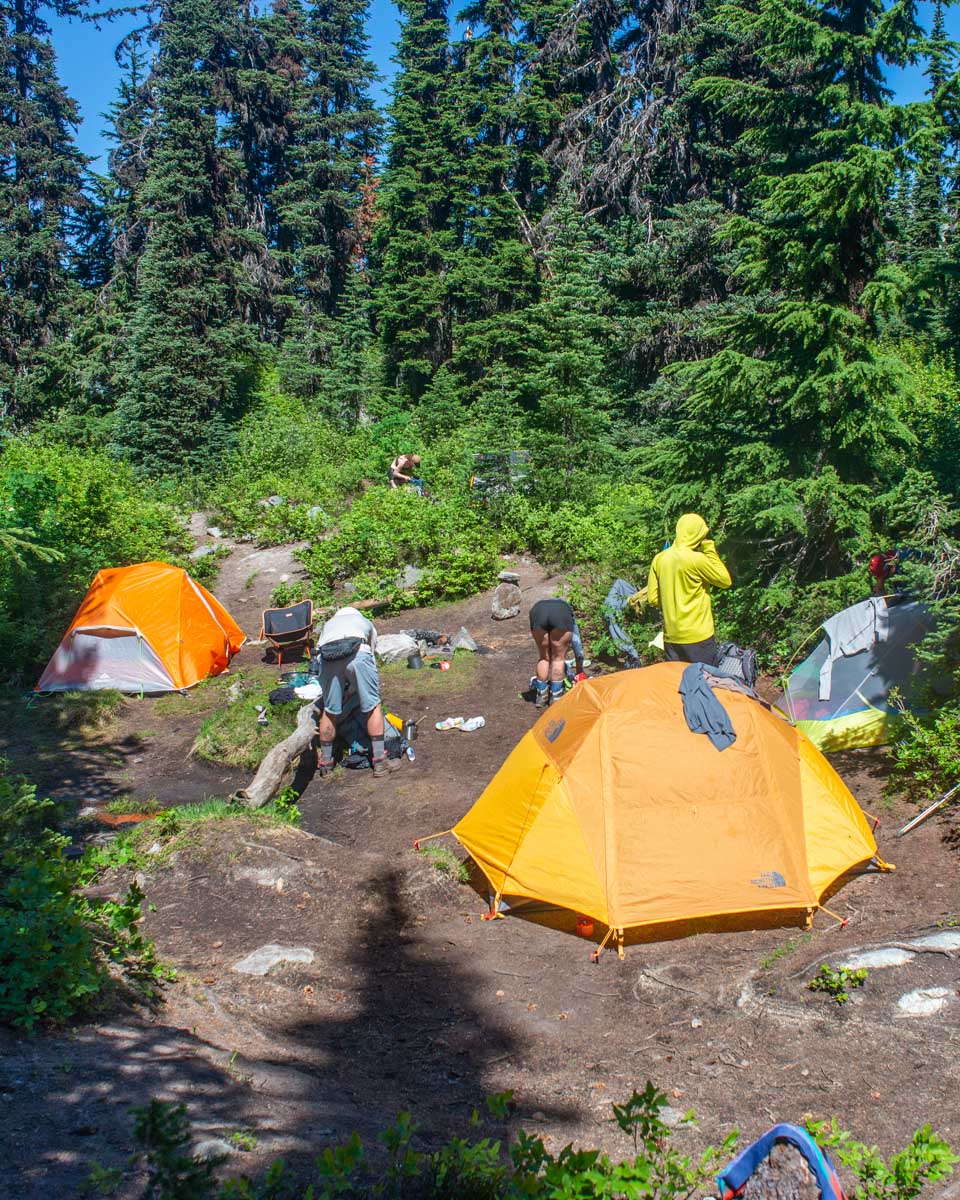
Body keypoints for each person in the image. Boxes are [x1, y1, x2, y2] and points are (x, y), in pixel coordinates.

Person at [315, 605, 399, 778]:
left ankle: (326, 763)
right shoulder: (364, 622)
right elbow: (370, 655)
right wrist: (359, 687)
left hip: (327, 657)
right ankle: (380, 762)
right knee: (372, 706)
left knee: (330, 711)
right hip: (357, 651)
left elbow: (319, 656)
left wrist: (344, 688)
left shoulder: (328, 625)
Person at [647, 513, 731, 666]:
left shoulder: (659, 559)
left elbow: (652, 599)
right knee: (703, 683)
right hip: (698, 637)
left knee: (677, 683)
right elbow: (725, 581)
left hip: (671, 638)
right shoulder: (696, 559)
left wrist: (672, 600)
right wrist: (709, 548)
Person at [529, 598, 585, 709]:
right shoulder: (567, 610)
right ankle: (556, 695)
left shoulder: (540, 605)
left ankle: (541, 696)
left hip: (537, 611)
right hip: (560, 614)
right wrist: (580, 670)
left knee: (544, 658)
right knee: (558, 659)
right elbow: (577, 643)